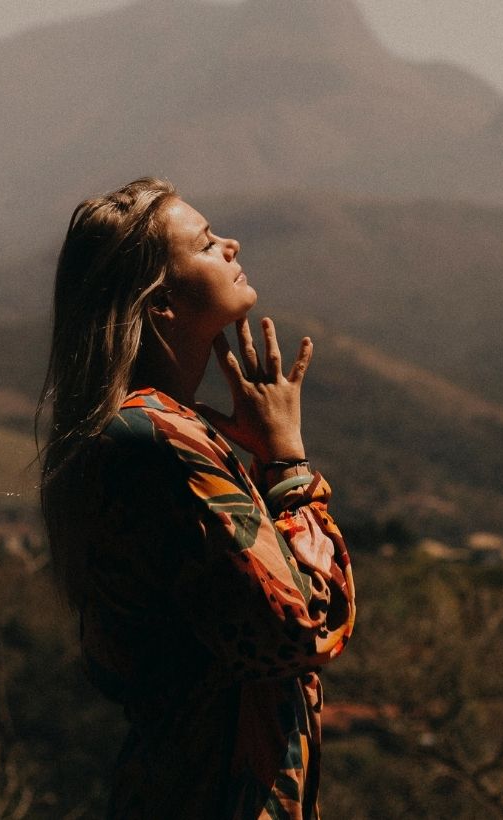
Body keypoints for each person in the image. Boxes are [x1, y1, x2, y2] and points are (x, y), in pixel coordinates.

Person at [39, 177, 356, 819]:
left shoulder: (152, 434)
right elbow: (304, 627)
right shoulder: (155, 440)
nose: (232, 245)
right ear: (159, 304)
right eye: (208, 243)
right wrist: (288, 465)